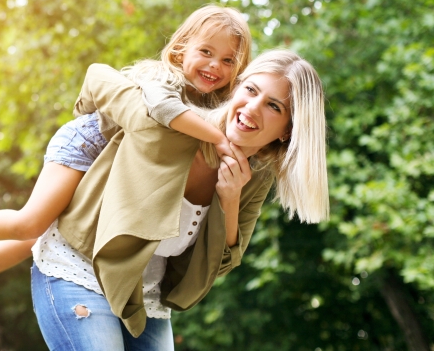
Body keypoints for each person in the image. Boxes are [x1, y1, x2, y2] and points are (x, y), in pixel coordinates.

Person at [0, 5, 252, 335]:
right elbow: (162, 111)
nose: (214, 66)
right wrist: (219, 140)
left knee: (42, 236)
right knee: (33, 222)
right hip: (90, 145)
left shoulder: (220, 107)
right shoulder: (162, 78)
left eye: (227, 60)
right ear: (180, 49)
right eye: (206, 52)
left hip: (119, 166)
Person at [31, 50, 329, 350]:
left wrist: (230, 200)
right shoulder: (177, 122)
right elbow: (101, 81)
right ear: (238, 87)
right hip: (80, 267)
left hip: (145, 298)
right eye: (250, 90)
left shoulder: (256, 178)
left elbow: (224, 262)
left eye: (273, 106)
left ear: (288, 130)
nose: (252, 108)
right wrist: (79, 126)